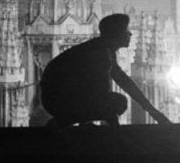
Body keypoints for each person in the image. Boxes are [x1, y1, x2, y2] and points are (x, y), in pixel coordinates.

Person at [40, 13, 172, 127]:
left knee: (116, 101)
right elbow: (100, 93)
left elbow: (124, 82)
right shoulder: (100, 53)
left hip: (56, 99)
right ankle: (62, 121)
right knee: (119, 102)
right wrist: (116, 129)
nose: (130, 33)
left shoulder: (103, 49)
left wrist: (152, 111)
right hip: (57, 101)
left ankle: (69, 121)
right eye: (126, 30)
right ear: (116, 34)